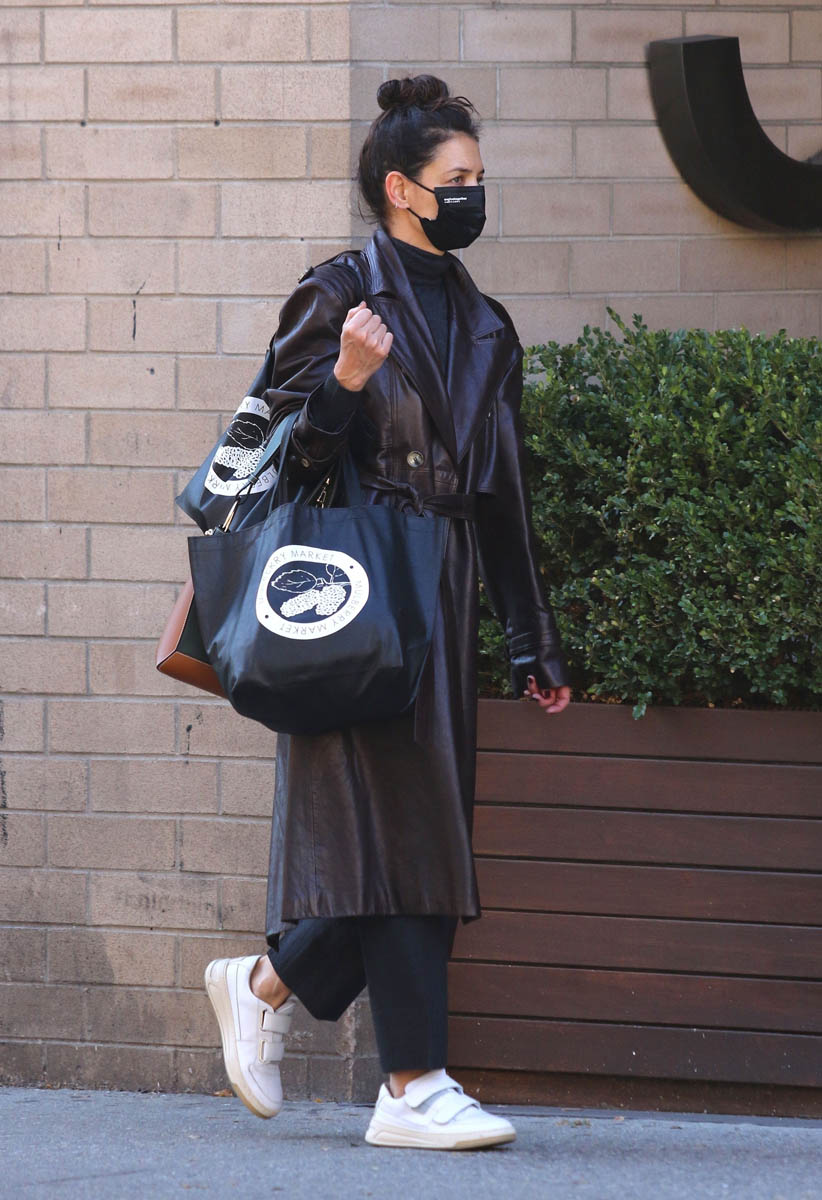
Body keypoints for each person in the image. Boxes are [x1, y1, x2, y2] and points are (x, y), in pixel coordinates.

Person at [204, 73, 572, 1152]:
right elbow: (254, 465)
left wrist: (530, 636)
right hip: (353, 592)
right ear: (402, 189)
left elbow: (502, 491)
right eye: (458, 178)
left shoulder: (486, 324)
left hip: (443, 595)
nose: (474, 194)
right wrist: (345, 384)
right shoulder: (336, 295)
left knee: (422, 832)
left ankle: (269, 984)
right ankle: (412, 1084)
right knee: (408, 834)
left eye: (480, 177)